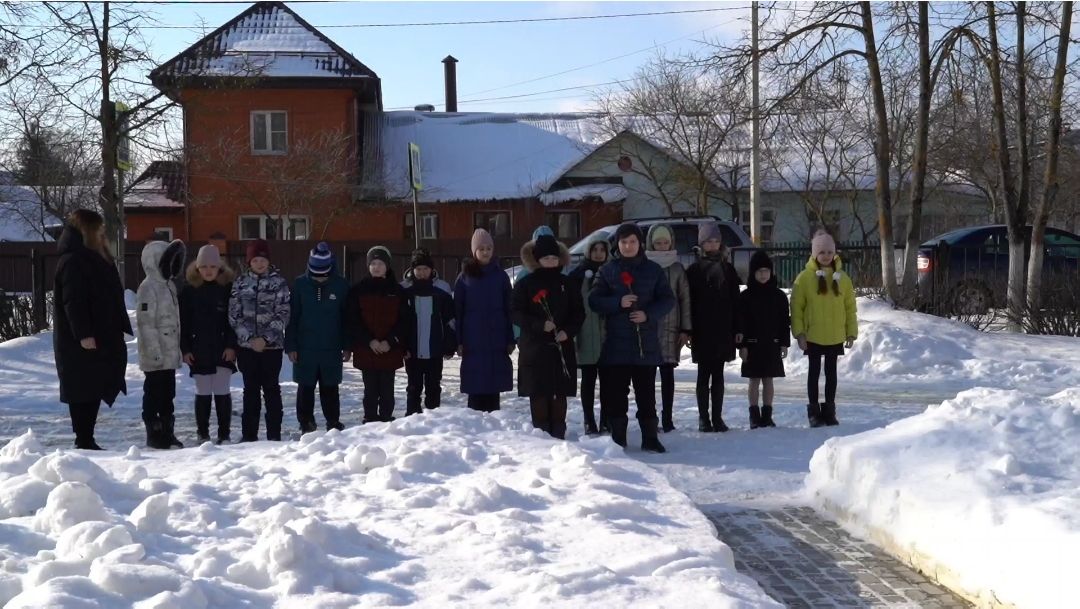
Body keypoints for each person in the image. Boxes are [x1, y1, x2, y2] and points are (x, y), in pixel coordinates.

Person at [588, 223, 675, 453]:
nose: (628, 246)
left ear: (640, 244)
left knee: (646, 394)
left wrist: (648, 315)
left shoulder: (653, 270)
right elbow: (594, 300)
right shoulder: (607, 270)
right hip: (616, 345)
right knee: (617, 395)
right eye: (624, 242)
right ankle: (618, 438)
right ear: (618, 244)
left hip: (645, 345)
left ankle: (650, 437)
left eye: (633, 242)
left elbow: (667, 299)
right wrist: (617, 303)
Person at [53, 209, 133, 450]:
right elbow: (73, 301)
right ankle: (84, 438)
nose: (102, 233)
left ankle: (87, 437)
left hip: (102, 333)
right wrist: (83, 334)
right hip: (82, 339)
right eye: (98, 228)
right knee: (82, 387)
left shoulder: (94, 256)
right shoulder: (73, 260)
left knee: (95, 384)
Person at [512, 234, 585, 439]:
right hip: (535, 348)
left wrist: (567, 331)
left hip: (561, 346)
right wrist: (538, 325)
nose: (551, 262)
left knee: (559, 394)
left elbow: (579, 313)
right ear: (537, 260)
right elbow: (515, 312)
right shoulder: (525, 284)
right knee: (539, 393)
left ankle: (559, 433)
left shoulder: (567, 283)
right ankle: (542, 436)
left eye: (554, 258)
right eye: (546, 258)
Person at [791, 230, 858, 427]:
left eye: (830, 252)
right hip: (813, 335)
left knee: (831, 374)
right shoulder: (804, 279)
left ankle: (829, 411)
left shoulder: (843, 278)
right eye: (822, 252)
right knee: (813, 373)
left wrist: (851, 332)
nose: (826, 256)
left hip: (835, 335)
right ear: (814, 254)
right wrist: (800, 333)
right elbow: (796, 308)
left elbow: (850, 307)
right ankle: (813, 412)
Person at [228, 239, 290, 441]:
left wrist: (265, 338)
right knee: (250, 391)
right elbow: (234, 315)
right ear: (249, 262)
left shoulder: (279, 283)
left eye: (262, 259)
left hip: (271, 348)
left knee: (272, 390)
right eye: (255, 259)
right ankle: (249, 435)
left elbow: (283, 313)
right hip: (247, 348)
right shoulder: (240, 283)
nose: (260, 263)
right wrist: (249, 338)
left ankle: (274, 435)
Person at [285, 242, 350, 433]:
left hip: (332, 346)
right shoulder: (299, 284)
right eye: (315, 274)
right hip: (305, 347)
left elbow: (347, 318)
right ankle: (306, 422)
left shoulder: (341, 285)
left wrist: (347, 345)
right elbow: (293, 317)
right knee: (305, 388)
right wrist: (291, 346)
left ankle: (333, 421)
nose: (319, 278)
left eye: (323, 275)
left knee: (330, 388)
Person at [686, 223, 741, 433]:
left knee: (718, 375)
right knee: (703, 375)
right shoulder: (694, 270)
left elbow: (736, 300)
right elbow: (688, 301)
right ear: (701, 243)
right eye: (708, 241)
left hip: (723, 329)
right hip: (702, 329)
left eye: (716, 240)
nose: (712, 244)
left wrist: (737, 328)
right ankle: (703, 418)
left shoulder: (728, 269)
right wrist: (689, 329)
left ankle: (717, 417)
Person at [179, 244, 237, 445]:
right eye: (204, 266)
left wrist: (231, 346)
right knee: (202, 391)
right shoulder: (188, 292)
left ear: (220, 267)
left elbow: (234, 321)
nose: (209, 270)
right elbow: (183, 324)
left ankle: (224, 433)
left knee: (222, 390)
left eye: (213, 266)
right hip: (198, 350)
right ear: (197, 268)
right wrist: (185, 349)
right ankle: (202, 433)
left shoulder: (228, 289)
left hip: (222, 349)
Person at [454, 228, 515, 412]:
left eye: (489, 248)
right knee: (475, 381)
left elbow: (509, 309)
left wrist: (510, 338)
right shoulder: (465, 277)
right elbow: (458, 310)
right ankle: (474, 419)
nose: (486, 252)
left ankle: (493, 420)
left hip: (496, 335)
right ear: (474, 251)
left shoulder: (501, 276)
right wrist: (459, 340)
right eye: (481, 248)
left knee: (493, 380)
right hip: (472, 337)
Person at [136, 239, 188, 449]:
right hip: (155, 356)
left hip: (169, 355)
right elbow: (146, 324)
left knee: (168, 393)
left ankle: (167, 431)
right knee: (153, 393)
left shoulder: (169, 286)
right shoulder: (148, 288)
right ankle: (154, 432)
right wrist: (155, 353)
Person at [348, 246, 409, 423]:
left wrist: (390, 341)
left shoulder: (398, 291)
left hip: (390, 349)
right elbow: (353, 320)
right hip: (367, 349)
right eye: (373, 263)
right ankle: (369, 419)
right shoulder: (358, 290)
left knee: (387, 388)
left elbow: (404, 320)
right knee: (370, 389)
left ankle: (386, 419)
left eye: (380, 263)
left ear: (388, 266)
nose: (376, 267)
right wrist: (369, 341)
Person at [645, 224, 692, 432]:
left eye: (665, 242)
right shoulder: (644, 265)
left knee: (667, 375)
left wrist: (686, 328)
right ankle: (650, 417)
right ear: (651, 244)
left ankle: (667, 418)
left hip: (672, 327)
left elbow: (685, 299)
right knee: (646, 377)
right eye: (658, 243)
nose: (662, 246)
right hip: (648, 327)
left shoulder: (677, 267)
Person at [736, 250, 790, 429]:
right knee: (754, 380)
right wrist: (742, 346)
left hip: (772, 344)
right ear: (753, 273)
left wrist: (784, 343)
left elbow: (784, 322)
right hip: (752, 345)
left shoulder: (779, 296)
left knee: (769, 380)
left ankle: (767, 414)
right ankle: (754, 414)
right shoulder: (745, 297)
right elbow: (740, 323)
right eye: (759, 271)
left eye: (766, 270)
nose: (763, 274)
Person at [401, 248, 456, 415]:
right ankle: (412, 417)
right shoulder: (405, 292)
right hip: (413, 350)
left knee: (433, 385)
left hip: (435, 349)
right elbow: (400, 323)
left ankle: (433, 418)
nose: (422, 273)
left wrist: (449, 345)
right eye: (418, 269)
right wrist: (403, 346)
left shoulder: (442, 291)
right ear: (412, 270)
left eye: (425, 269)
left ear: (432, 270)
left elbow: (450, 321)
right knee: (413, 386)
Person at [568, 237, 609, 435]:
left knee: (608, 382)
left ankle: (606, 420)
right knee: (588, 380)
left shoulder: (612, 272)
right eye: (595, 249)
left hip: (607, 335)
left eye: (603, 249)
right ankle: (588, 420)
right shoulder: (578, 275)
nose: (599, 253)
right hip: (585, 333)